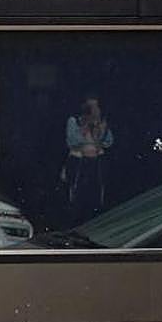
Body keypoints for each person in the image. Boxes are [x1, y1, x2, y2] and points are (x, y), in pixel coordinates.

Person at [63, 93, 113, 224]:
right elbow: (72, 142)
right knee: (76, 199)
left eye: (96, 106)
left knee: (96, 198)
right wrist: (84, 129)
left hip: (96, 165)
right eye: (91, 106)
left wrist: (101, 131)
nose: (94, 109)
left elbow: (108, 142)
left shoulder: (100, 122)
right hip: (79, 164)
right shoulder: (74, 121)